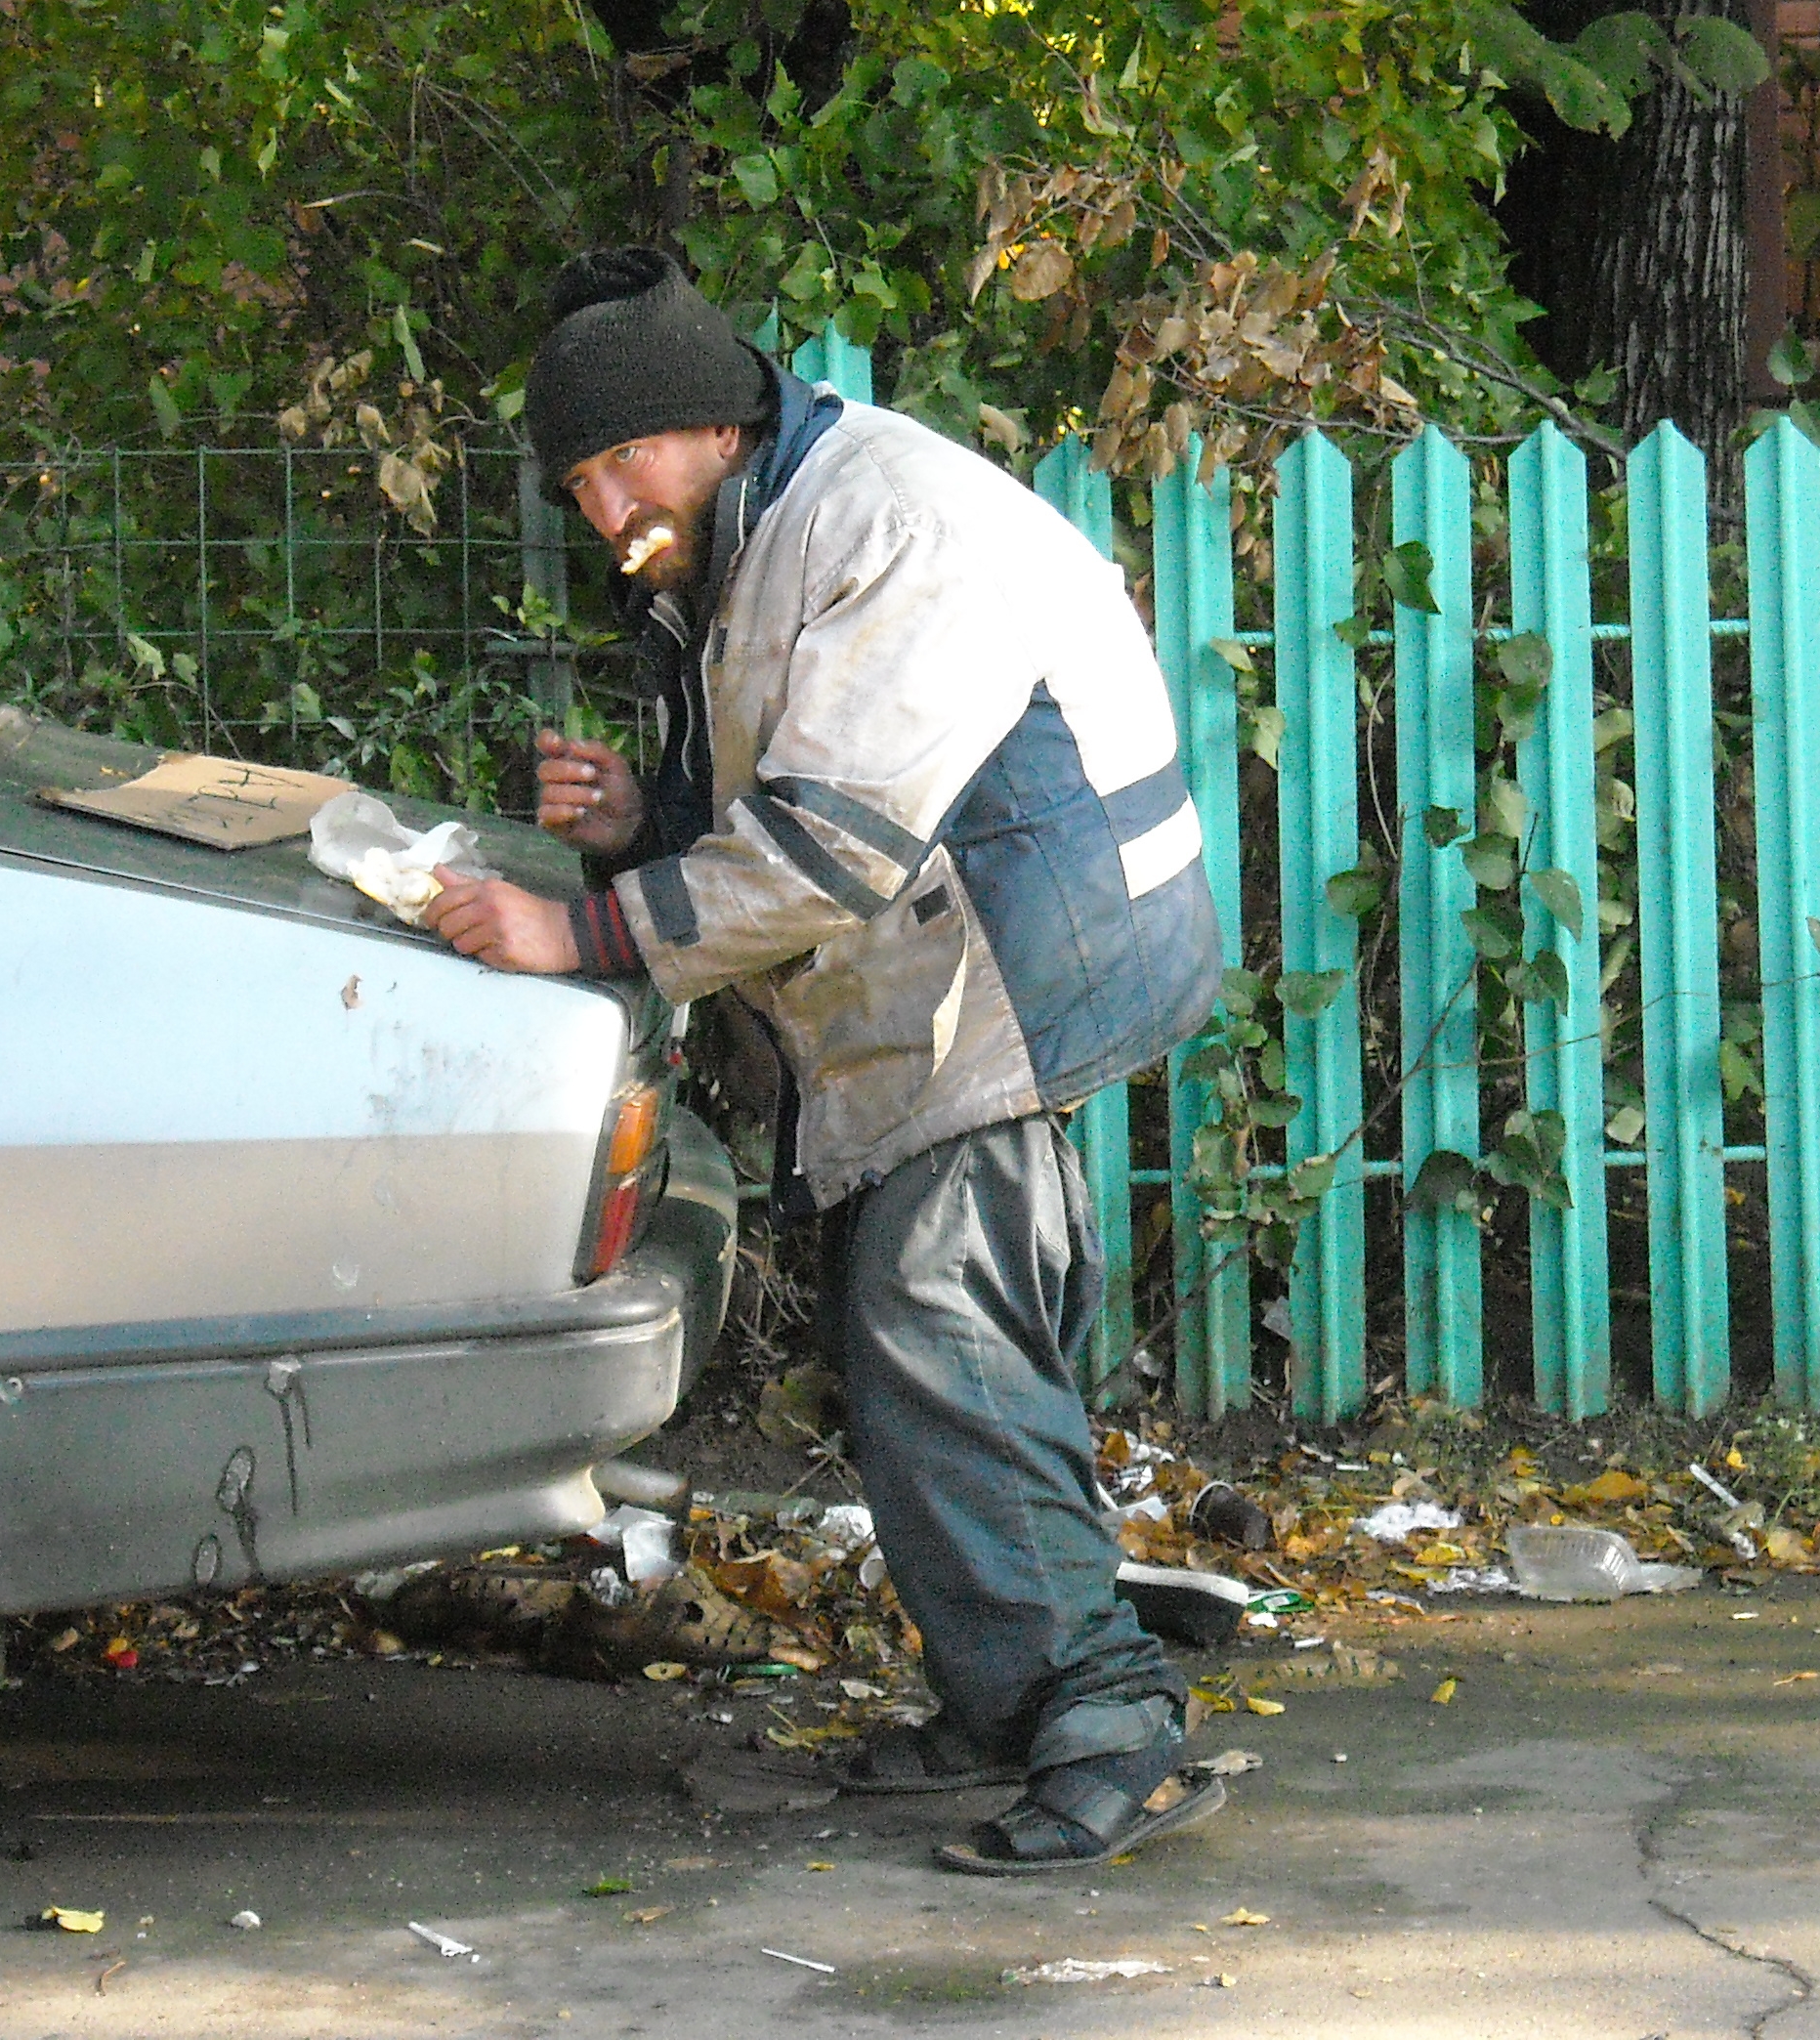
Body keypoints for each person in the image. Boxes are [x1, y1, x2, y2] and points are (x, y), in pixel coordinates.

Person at [426, 248, 1225, 1874]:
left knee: (942, 1331)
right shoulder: (757, 519)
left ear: (713, 424)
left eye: (617, 463)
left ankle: (1110, 1727)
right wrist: (645, 826)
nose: (601, 509)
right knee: (916, 1339)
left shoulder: (886, 525)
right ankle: (1011, 1707)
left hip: (1014, 964)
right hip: (934, 956)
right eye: (575, 482)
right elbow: (794, 784)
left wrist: (577, 931)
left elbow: (822, 850)